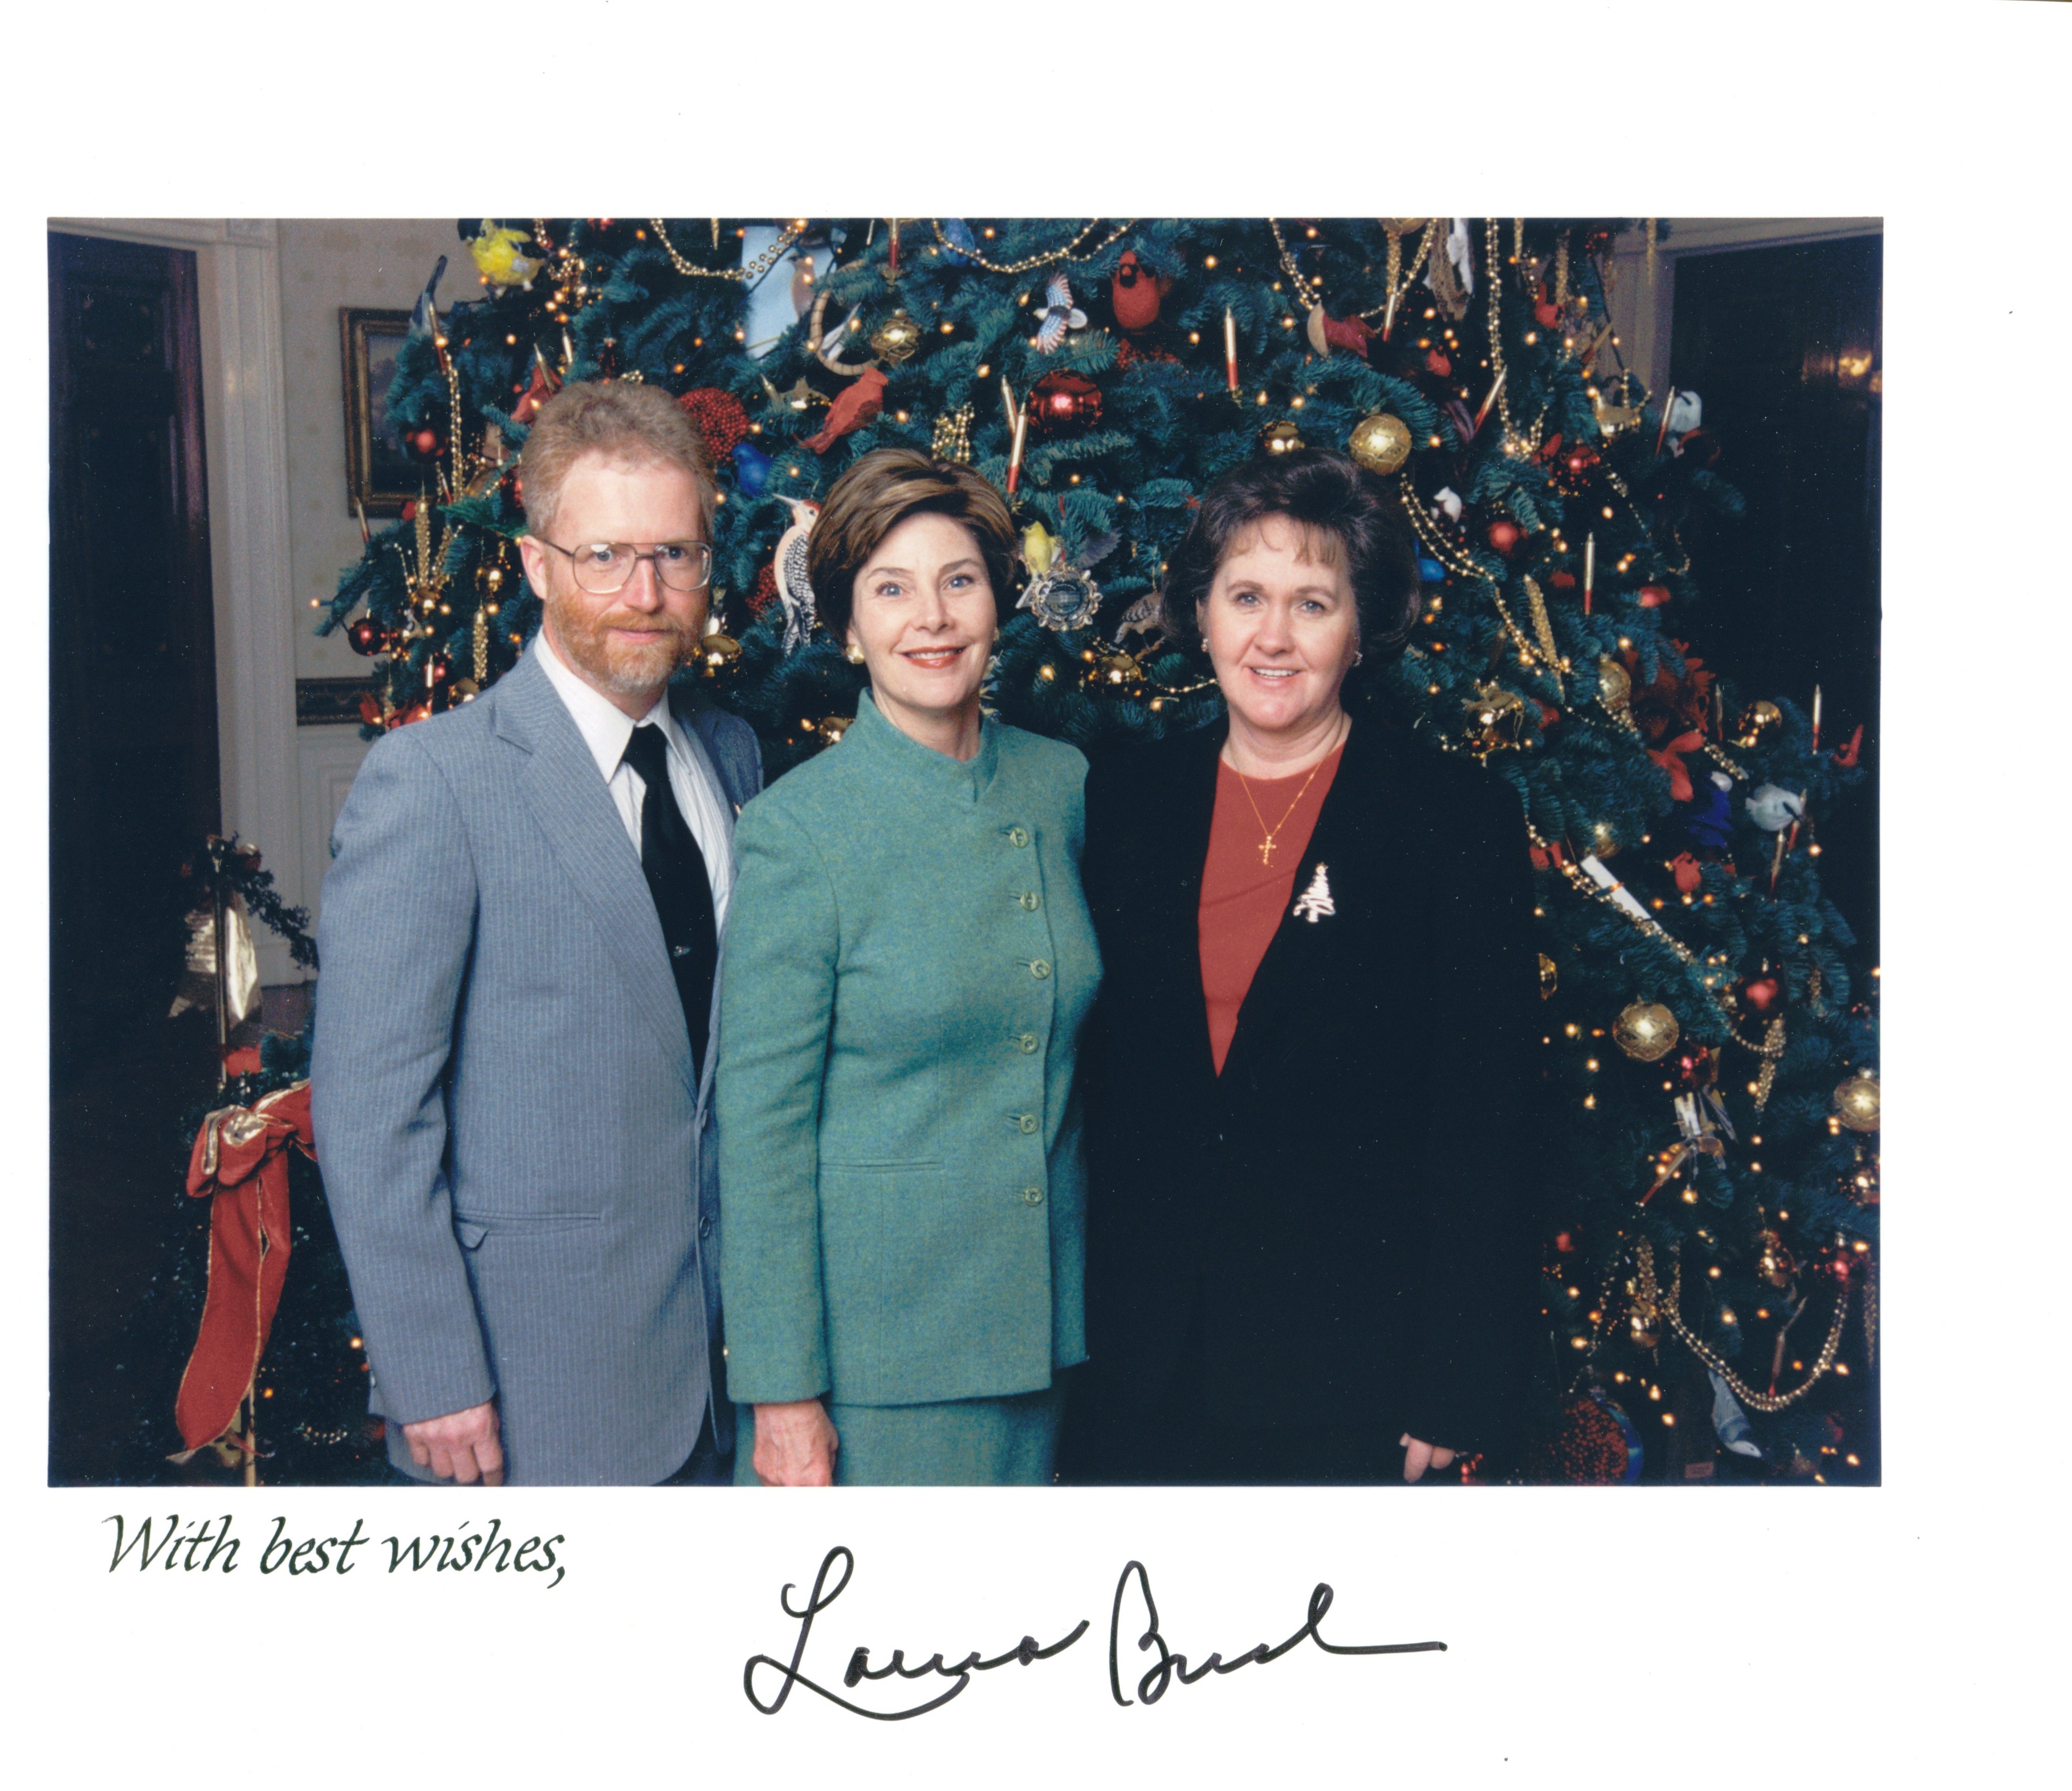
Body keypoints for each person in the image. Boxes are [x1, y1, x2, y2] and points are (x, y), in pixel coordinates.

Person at [1059, 449, 1540, 1487]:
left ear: (1361, 627)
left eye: (1312, 603)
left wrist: (1454, 1378)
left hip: (1350, 1372)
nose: (1272, 637)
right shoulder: (1125, 803)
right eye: (1245, 597)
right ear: (1202, 616)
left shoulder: (1453, 821)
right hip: (1139, 1364)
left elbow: (1487, 1122)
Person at [312, 380, 762, 1486]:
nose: (645, 592)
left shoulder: (736, 757)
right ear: (535, 563)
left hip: (722, 1388)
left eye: (675, 554)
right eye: (605, 554)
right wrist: (431, 1373)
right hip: (527, 1397)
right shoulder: (432, 783)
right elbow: (372, 1110)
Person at [717, 448, 1098, 1486]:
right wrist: (782, 1390)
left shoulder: (1059, 784)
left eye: (958, 582)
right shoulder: (800, 830)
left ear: (995, 603)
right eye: (891, 590)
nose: (931, 618)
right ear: (848, 629)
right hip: (879, 1365)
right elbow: (759, 1133)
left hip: (1047, 1335)